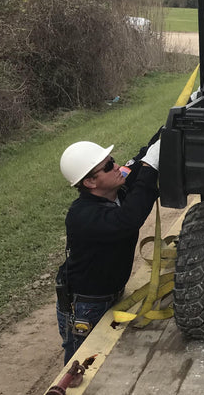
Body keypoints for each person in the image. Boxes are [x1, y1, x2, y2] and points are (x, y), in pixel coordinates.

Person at [55, 133, 161, 363]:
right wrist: (152, 167)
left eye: (112, 160)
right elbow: (129, 218)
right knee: (81, 362)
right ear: (90, 182)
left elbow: (137, 163)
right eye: (109, 166)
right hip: (85, 305)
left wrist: (167, 129)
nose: (116, 167)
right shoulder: (83, 215)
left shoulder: (115, 190)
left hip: (108, 293)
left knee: (105, 355)